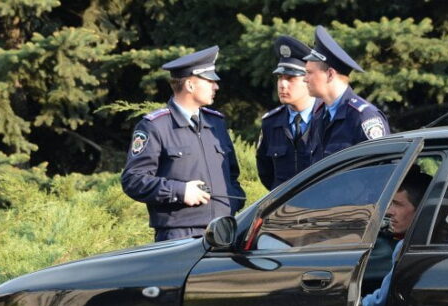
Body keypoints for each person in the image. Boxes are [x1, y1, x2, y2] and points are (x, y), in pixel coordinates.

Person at [121, 46, 246, 242]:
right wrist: (179, 191)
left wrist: (234, 199)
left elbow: (232, 174)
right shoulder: (156, 126)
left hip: (224, 231)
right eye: (210, 80)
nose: (216, 86)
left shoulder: (216, 123)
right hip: (180, 236)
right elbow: (133, 180)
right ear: (189, 84)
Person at [355, 166, 432, 306]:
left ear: (421, 209)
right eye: (389, 203)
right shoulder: (437, 237)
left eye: (398, 204)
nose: (389, 211)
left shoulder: (407, 248)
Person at [303, 25, 390, 163]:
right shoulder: (319, 115)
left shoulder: (363, 117)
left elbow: (381, 171)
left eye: (309, 72)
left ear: (330, 74)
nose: (304, 78)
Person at [256, 36, 323, 190]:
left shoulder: (327, 117)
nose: (282, 85)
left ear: (307, 79)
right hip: (284, 209)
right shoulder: (271, 122)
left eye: (290, 78)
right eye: (280, 78)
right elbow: (266, 173)